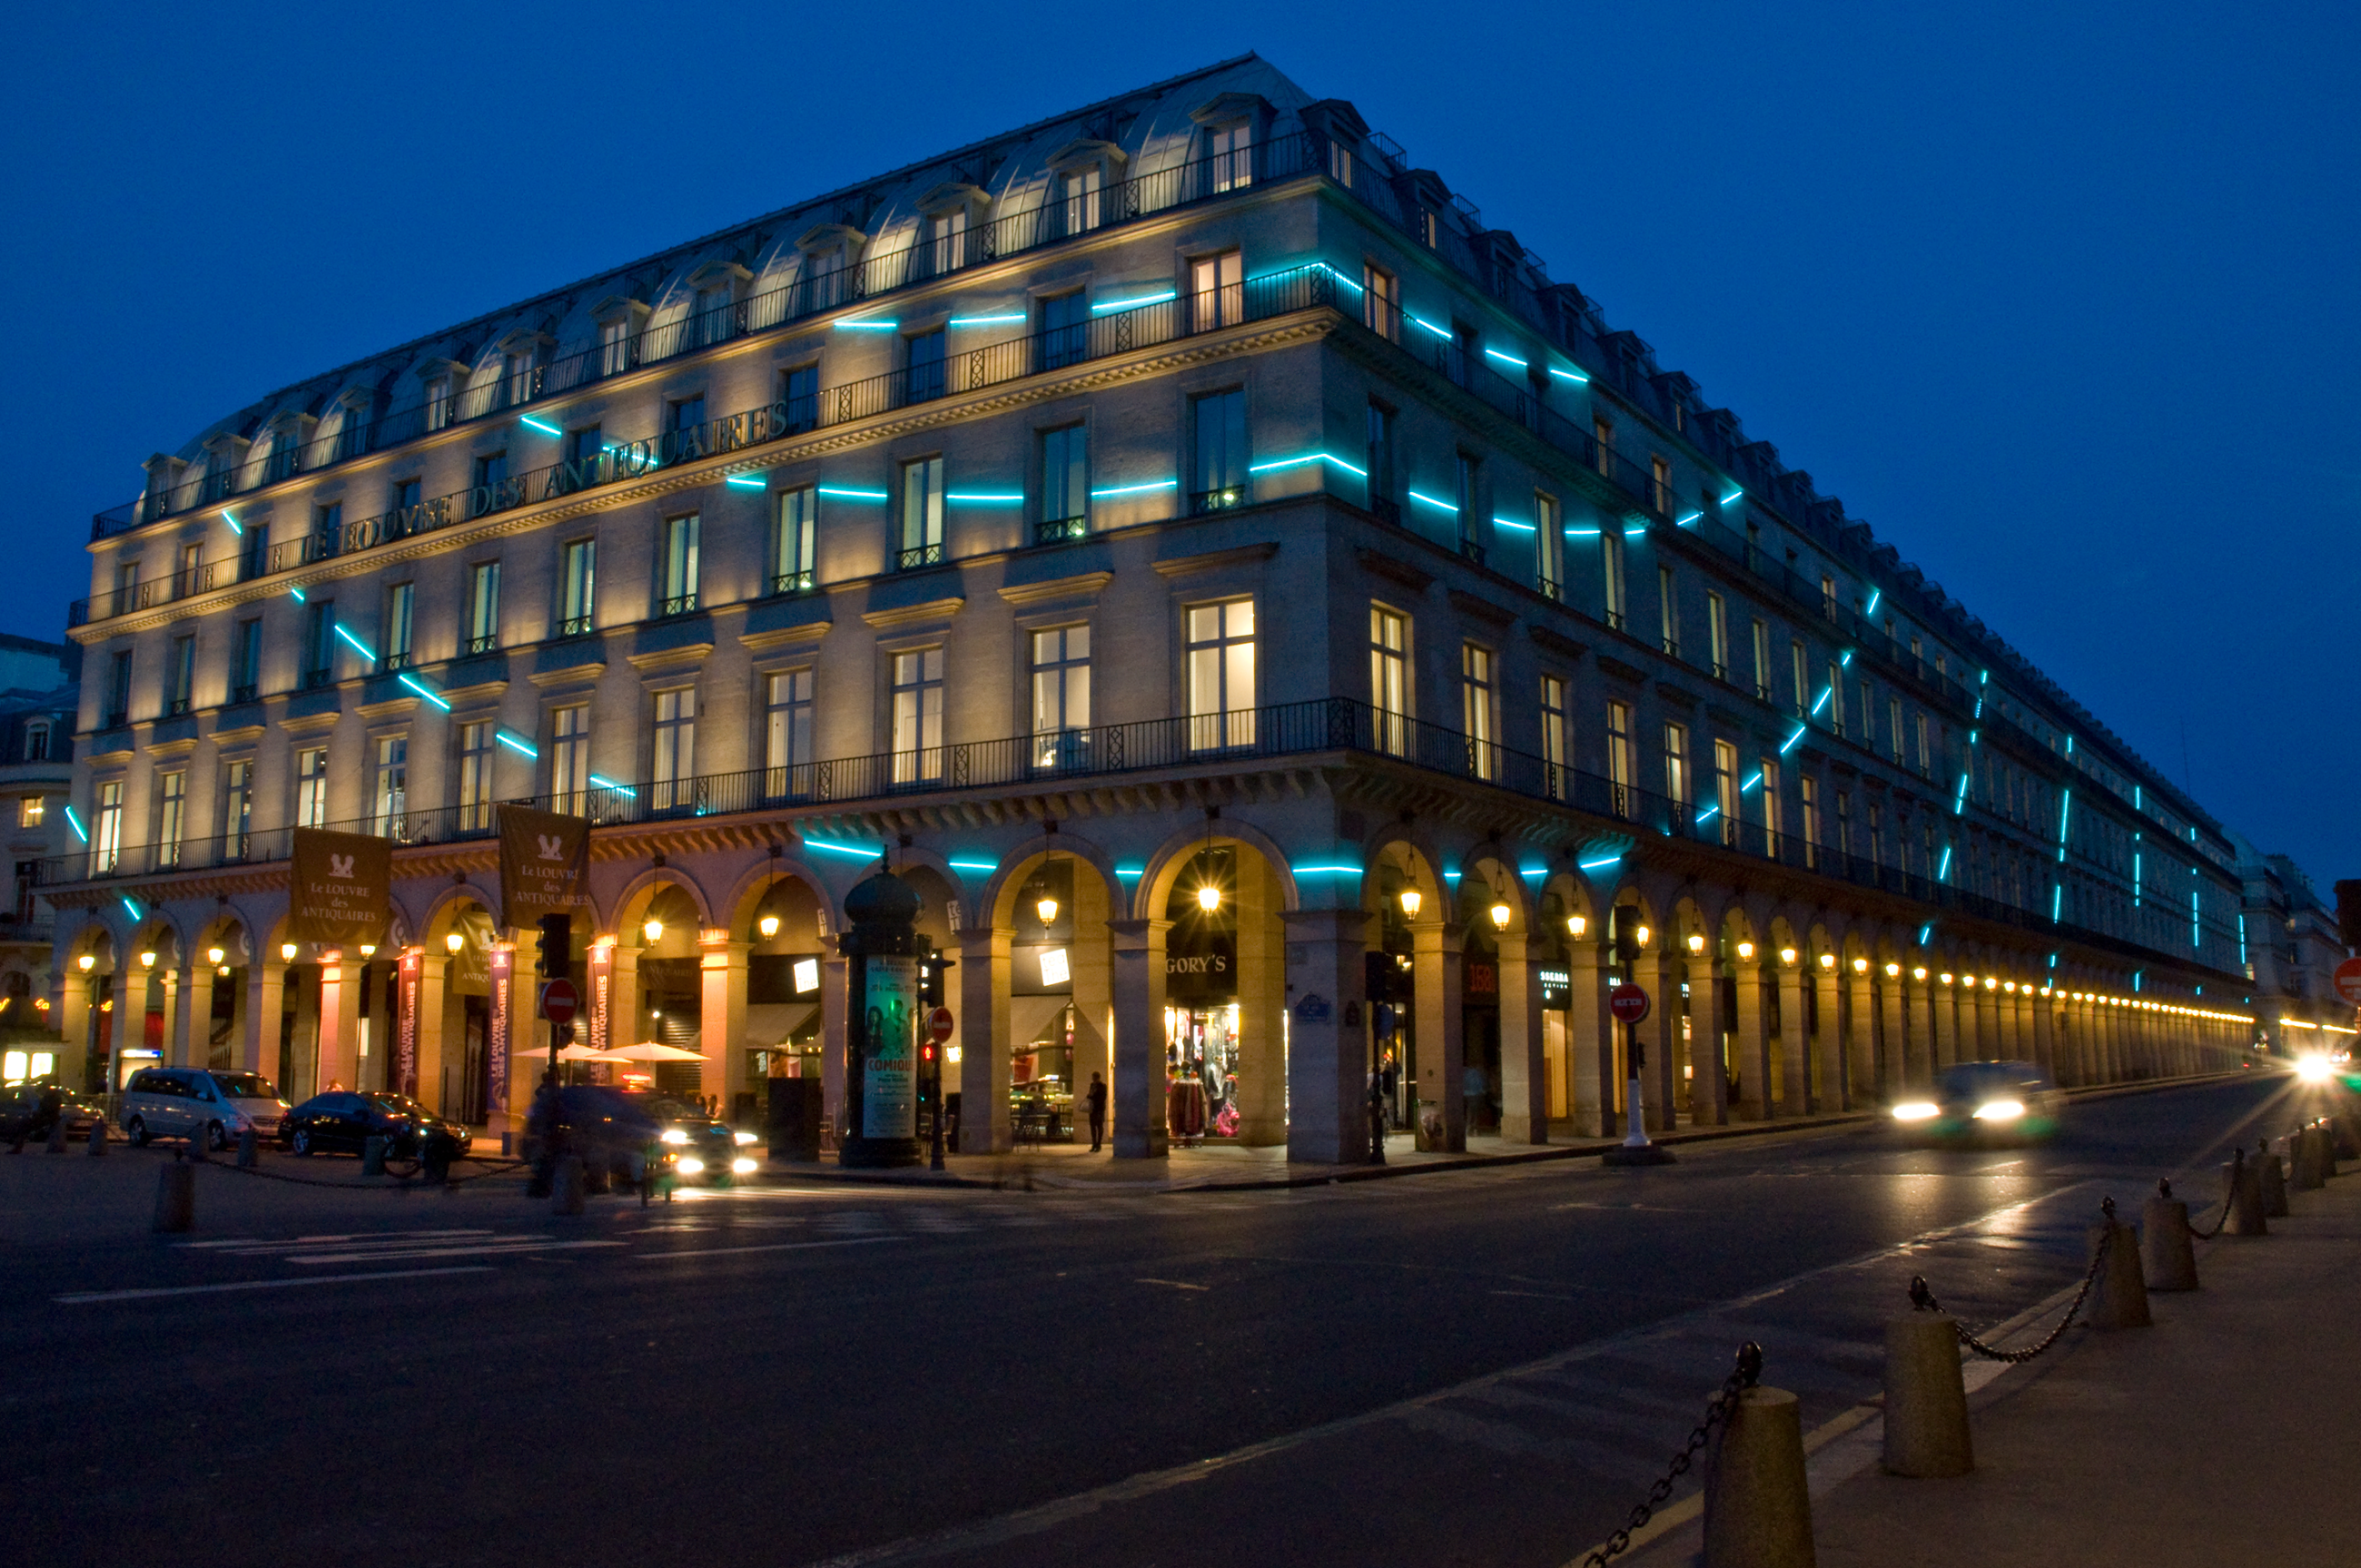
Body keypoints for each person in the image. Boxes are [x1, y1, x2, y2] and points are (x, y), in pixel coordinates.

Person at [1085, 1070, 1108, 1152]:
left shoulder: (1102, 1086)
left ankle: (1098, 1144)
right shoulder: (1092, 1085)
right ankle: (1094, 1144)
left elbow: (1102, 1097)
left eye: (1094, 1077)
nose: (1093, 1079)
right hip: (1093, 1109)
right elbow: (1089, 1095)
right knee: (1093, 1127)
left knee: (1099, 1126)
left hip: (1099, 1109)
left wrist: (1092, 1097)